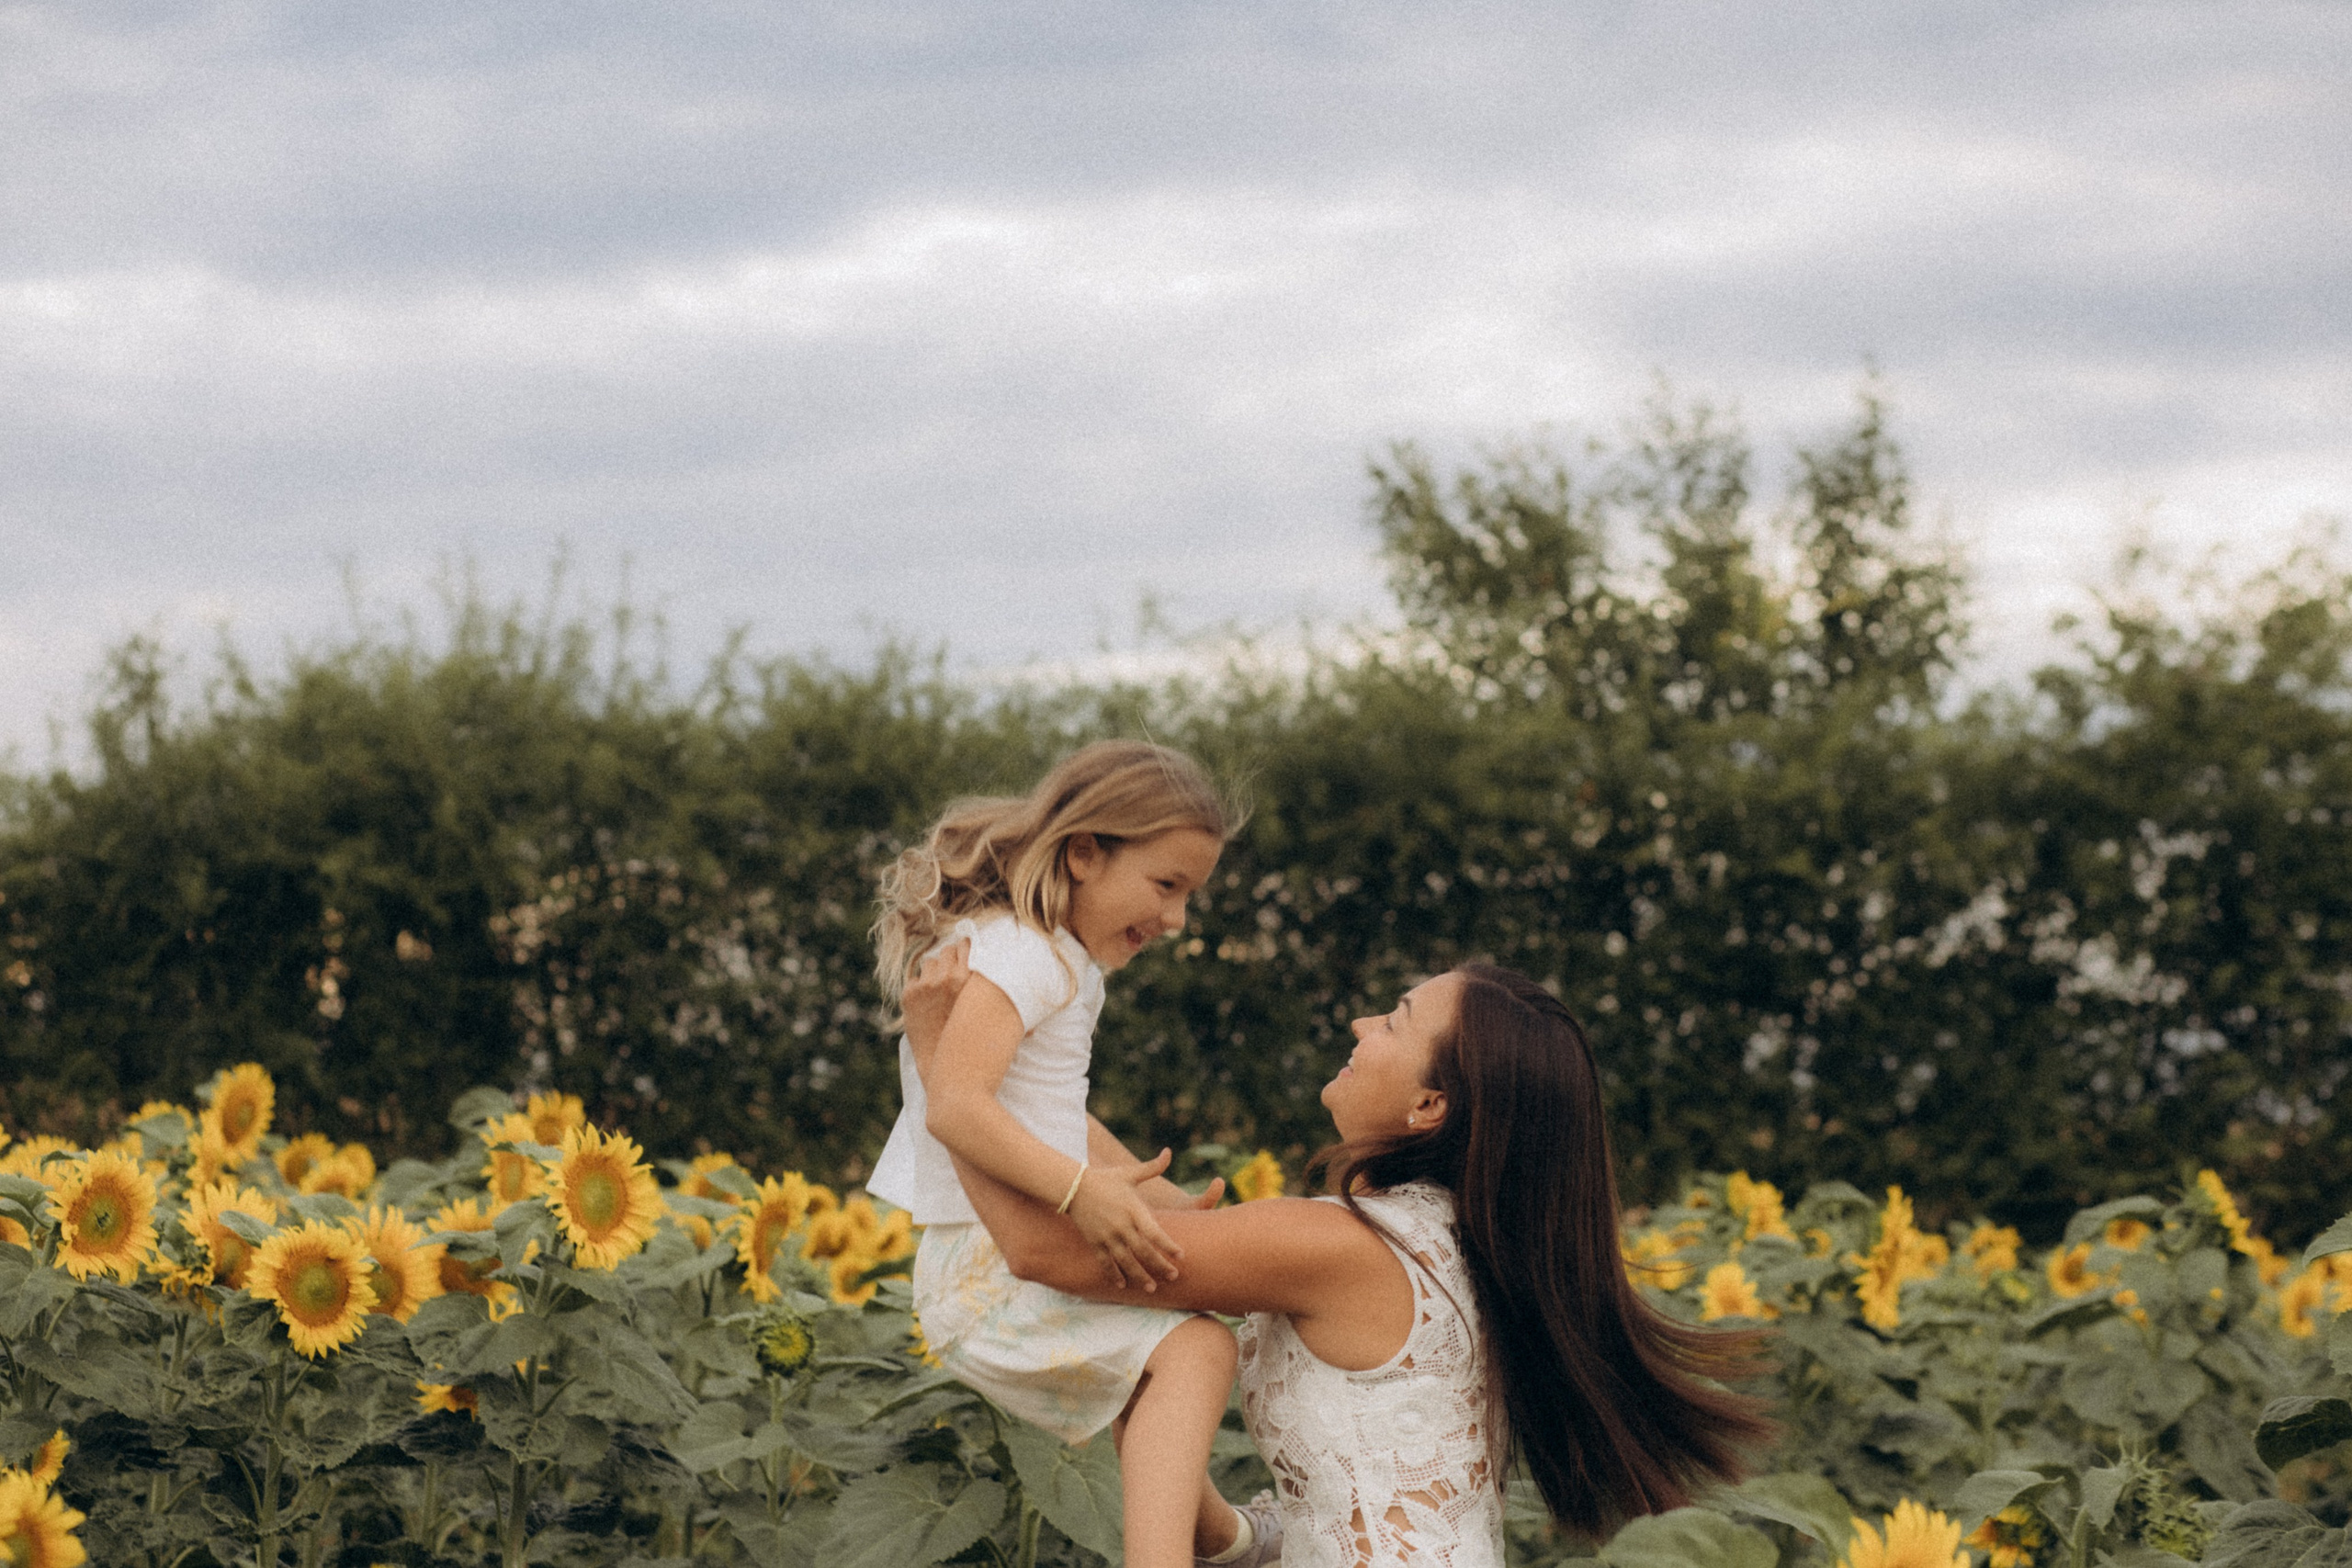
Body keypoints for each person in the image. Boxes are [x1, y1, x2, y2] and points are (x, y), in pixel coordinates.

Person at [903, 953, 1775, 1568]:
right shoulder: (1462, 1246)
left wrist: (947, 1069)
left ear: (1431, 1102)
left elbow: (1041, 1247)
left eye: (1394, 1019)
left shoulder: (1340, 1245)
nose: (1363, 1022)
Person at [866, 740, 1279, 1568]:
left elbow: (1049, 1112)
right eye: (1167, 885)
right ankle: (1199, 1548)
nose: (1176, 919)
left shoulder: (1055, 956)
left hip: (989, 1261)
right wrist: (1081, 1192)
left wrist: (1164, 1201)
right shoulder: (1023, 951)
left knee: (1156, 1363)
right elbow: (957, 1105)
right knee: (1198, 1346)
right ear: (1084, 851)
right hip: (986, 1268)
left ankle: (1227, 1540)